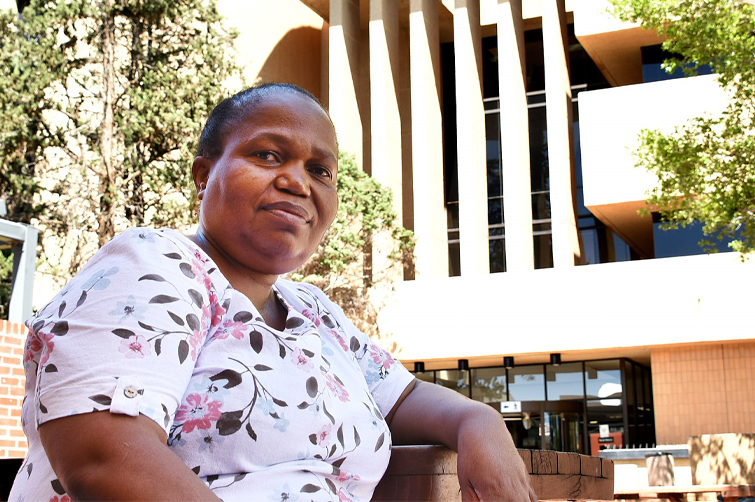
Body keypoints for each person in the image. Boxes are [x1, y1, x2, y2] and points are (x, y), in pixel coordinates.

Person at [9, 83, 536, 502]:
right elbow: (104, 459)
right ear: (203, 174)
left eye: (319, 170)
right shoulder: (153, 265)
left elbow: (406, 397)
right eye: (267, 155)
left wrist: (480, 421)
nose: (297, 181)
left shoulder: (316, 314)